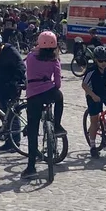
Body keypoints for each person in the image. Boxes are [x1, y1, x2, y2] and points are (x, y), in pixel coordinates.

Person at [22, 31, 65, 178]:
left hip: (33, 96)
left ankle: (31, 167)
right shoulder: (54, 60)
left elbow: (27, 69)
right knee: (59, 98)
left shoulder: (31, 57)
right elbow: (58, 83)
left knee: (33, 131)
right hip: (49, 91)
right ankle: (57, 125)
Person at [0, 33, 26, 151]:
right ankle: (8, 141)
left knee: (13, 115)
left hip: (11, 87)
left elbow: (21, 67)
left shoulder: (10, 51)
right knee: (3, 115)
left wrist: (16, 81)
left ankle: (15, 141)